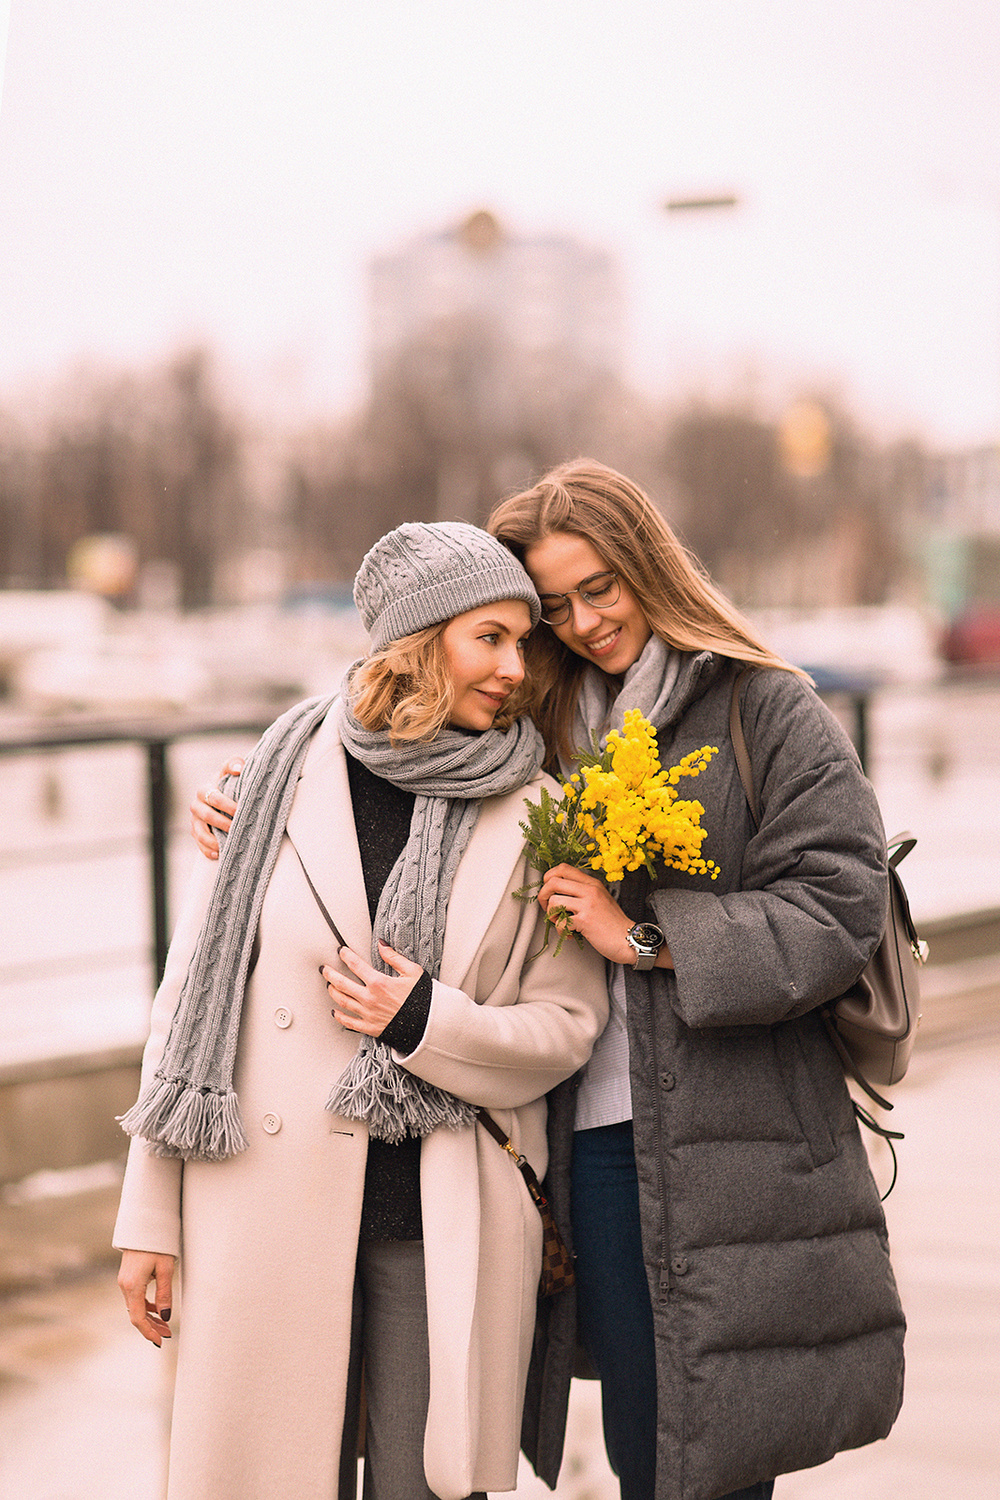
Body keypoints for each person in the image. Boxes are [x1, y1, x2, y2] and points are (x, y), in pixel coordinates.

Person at [191, 462, 906, 1500]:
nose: (580, 623)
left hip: (735, 1145)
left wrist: (651, 937)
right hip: (581, 1149)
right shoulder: (539, 719)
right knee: (638, 1440)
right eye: (553, 606)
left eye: (599, 589)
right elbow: (389, 753)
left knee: (703, 1461)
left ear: (648, 566)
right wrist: (252, 801)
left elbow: (840, 910)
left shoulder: (765, 708)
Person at [114, 520, 608, 1500]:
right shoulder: (276, 779)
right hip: (260, 1201)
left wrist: (427, 1020)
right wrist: (149, 1220)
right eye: (490, 638)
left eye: (524, 641)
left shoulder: (543, 810)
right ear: (421, 641)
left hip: (441, 1219)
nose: (518, 668)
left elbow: (567, 1028)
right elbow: (189, 1004)